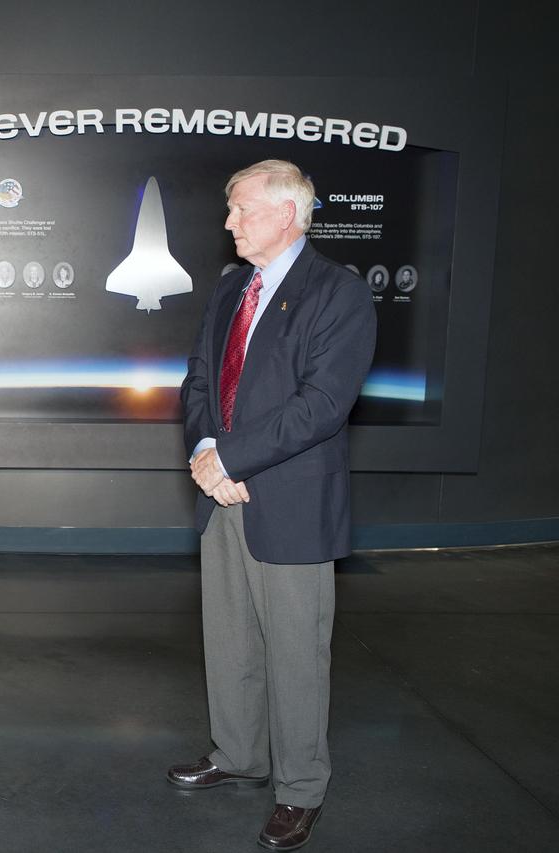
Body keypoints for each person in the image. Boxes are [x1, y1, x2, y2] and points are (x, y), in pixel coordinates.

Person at [173, 161, 375, 851]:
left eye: (241, 209)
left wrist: (231, 458)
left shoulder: (339, 293)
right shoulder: (232, 287)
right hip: (222, 493)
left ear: (287, 214)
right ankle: (238, 753)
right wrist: (208, 452)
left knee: (296, 654)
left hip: (289, 499)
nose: (229, 222)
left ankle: (300, 789)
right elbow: (200, 379)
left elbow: (322, 404)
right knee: (229, 638)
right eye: (230, 210)